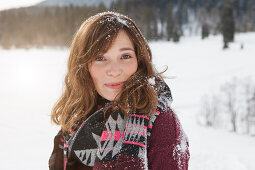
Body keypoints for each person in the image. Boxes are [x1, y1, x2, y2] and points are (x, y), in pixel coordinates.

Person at [49, 11, 190, 170]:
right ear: (83, 67)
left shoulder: (162, 123)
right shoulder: (76, 116)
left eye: (125, 56)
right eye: (100, 58)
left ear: (139, 60)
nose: (114, 71)